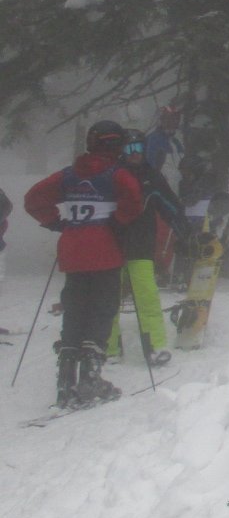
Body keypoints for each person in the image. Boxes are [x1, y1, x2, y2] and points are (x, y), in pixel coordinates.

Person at [24, 120, 143, 406]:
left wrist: (55, 222)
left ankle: (65, 380)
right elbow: (134, 201)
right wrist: (119, 221)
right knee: (102, 309)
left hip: (72, 250)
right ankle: (90, 377)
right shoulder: (117, 173)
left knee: (75, 308)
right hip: (105, 249)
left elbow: (33, 199)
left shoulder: (69, 174)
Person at [107, 131, 190, 362]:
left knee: (147, 295)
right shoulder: (111, 175)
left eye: (139, 149)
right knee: (109, 298)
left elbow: (171, 206)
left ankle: (155, 345)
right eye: (129, 149)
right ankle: (109, 347)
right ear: (122, 152)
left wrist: (184, 233)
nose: (134, 154)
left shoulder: (151, 176)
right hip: (112, 245)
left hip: (141, 246)